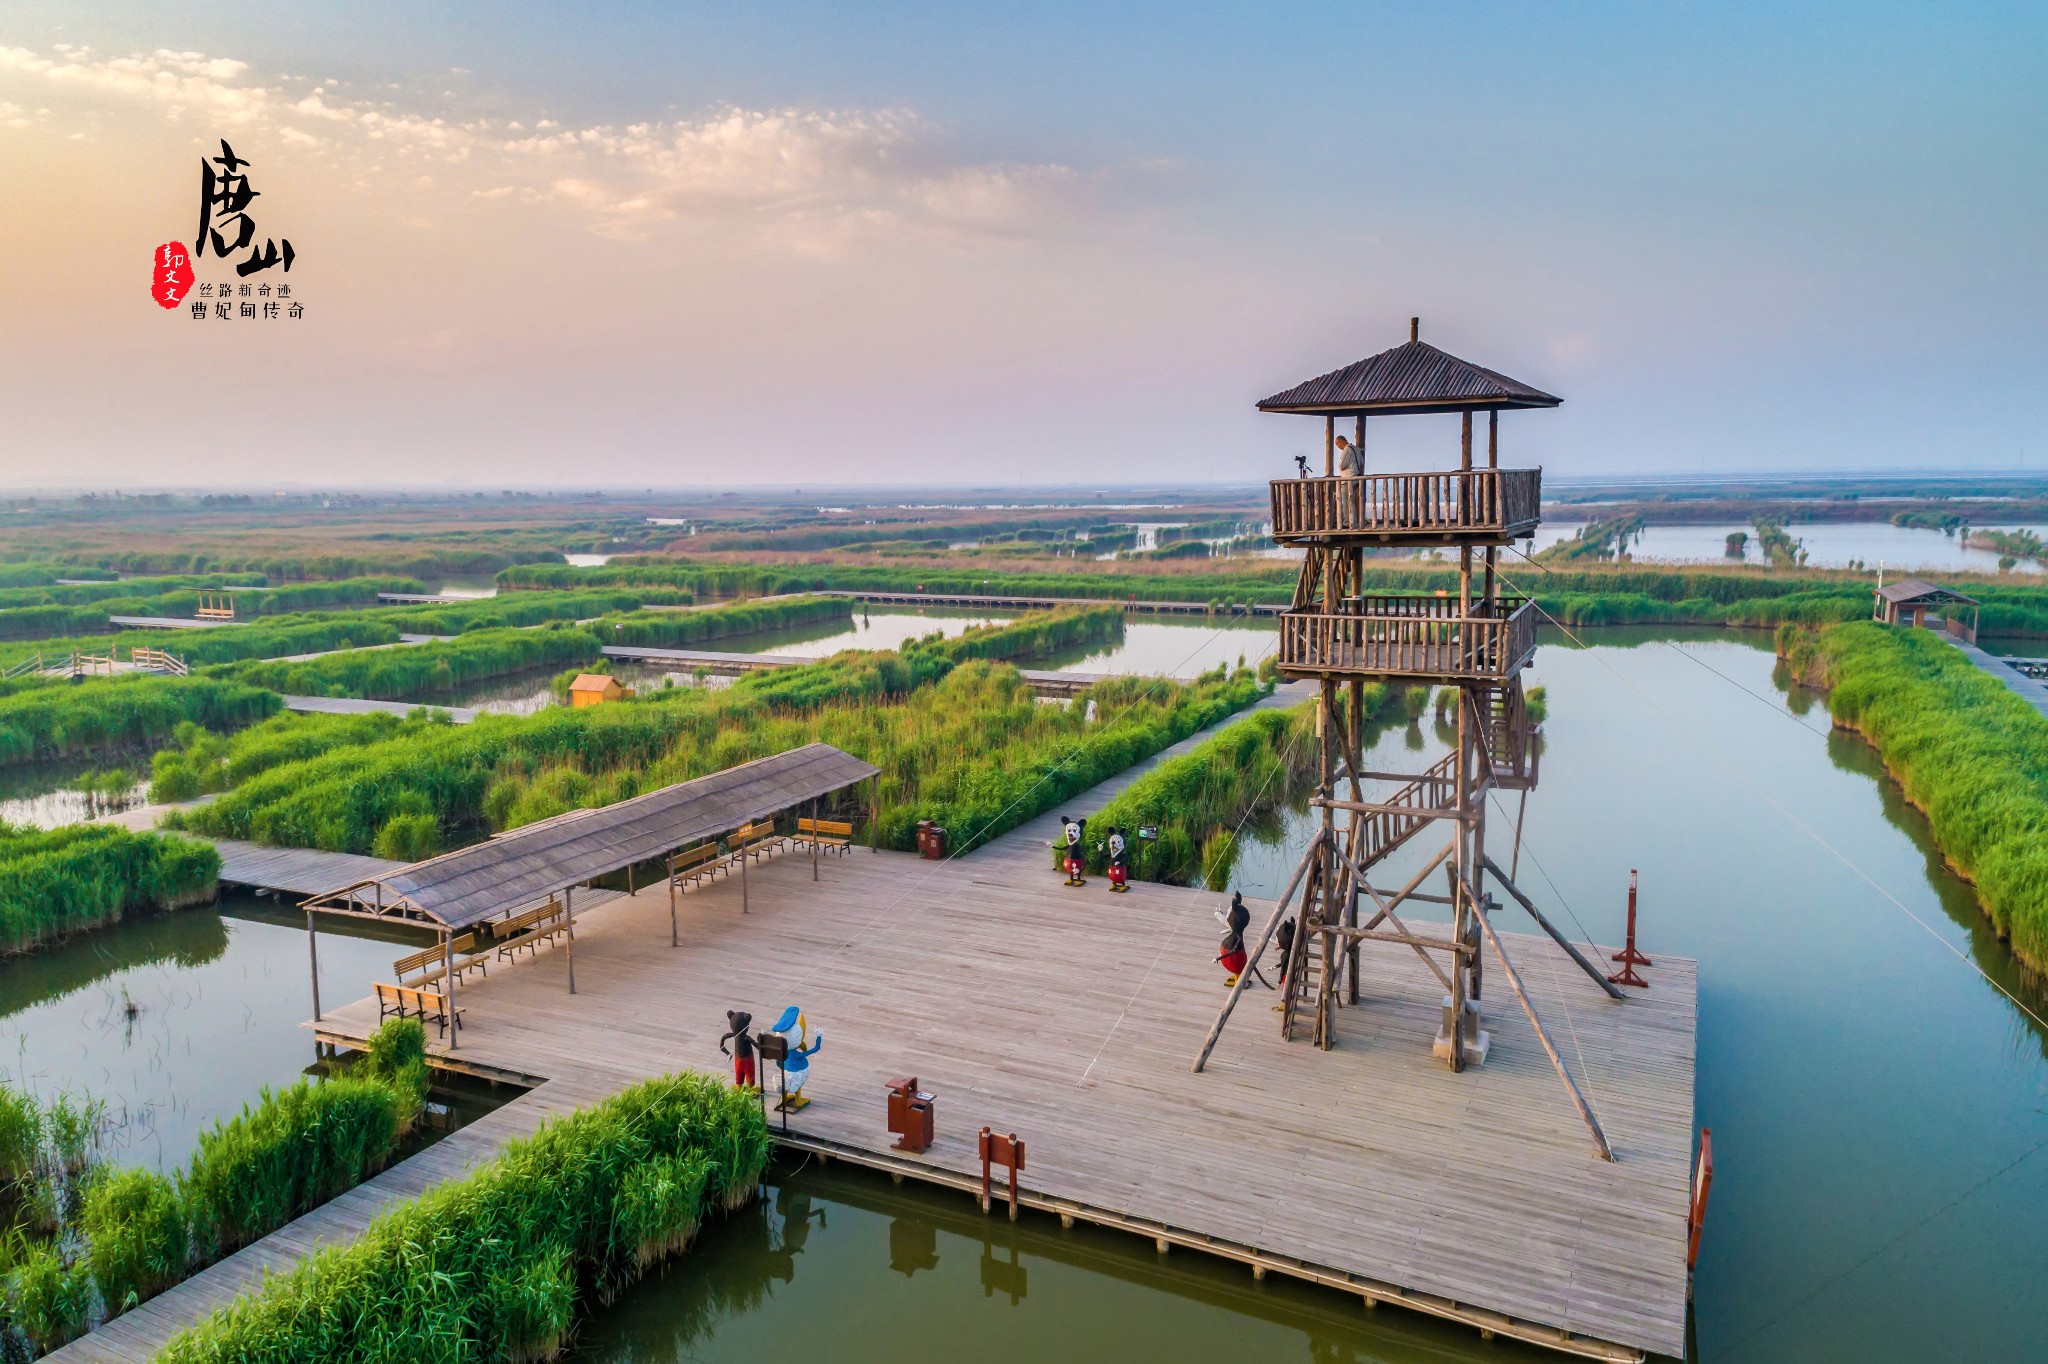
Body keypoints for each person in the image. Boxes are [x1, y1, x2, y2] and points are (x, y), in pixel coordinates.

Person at [718, 1009, 757, 1088]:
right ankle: (749, 1088)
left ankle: (739, 1087)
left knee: (739, 1075)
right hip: (748, 1058)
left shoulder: (734, 1035)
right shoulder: (747, 1038)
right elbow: (758, 1046)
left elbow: (723, 1041)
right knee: (749, 1075)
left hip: (738, 1058)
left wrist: (727, 1053)